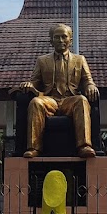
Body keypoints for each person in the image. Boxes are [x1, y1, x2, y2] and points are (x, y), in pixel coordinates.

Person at [13, 22, 99, 159]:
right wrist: (29, 85)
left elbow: (88, 80)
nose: (60, 40)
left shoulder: (79, 60)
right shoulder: (42, 61)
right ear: (51, 40)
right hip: (50, 100)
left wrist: (91, 86)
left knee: (82, 100)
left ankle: (84, 146)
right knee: (36, 102)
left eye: (64, 37)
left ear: (70, 40)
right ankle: (34, 148)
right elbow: (35, 82)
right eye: (56, 37)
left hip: (70, 101)